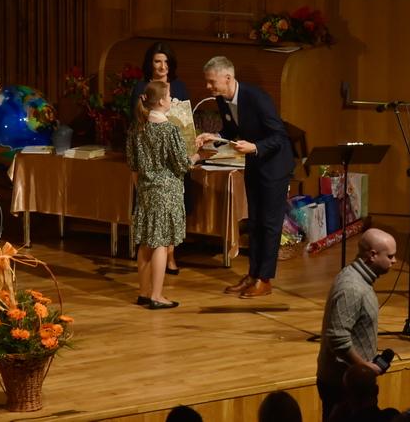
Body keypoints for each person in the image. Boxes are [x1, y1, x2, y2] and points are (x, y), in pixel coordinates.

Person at [195, 56, 294, 298]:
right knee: (255, 222)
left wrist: (255, 147)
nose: (208, 86)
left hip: (274, 166)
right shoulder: (222, 99)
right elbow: (231, 130)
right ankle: (253, 274)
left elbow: (279, 136)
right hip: (255, 165)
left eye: (212, 82)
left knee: (269, 224)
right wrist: (214, 136)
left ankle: (265, 279)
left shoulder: (257, 97)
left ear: (228, 78)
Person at [126, 81, 200, 310]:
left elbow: (133, 165)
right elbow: (181, 165)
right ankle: (157, 295)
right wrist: (197, 156)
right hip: (166, 192)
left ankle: (144, 292)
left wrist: (141, 188)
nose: (172, 100)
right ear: (160, 101)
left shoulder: (137, 128)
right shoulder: (169, 130)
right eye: (169, 96)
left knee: (146, 242)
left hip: (145, 190)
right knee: (161, 242)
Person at [316, 228, 398, 422]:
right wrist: (364, 366)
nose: (395, 261)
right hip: (342, 385)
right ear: (373, 255)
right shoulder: (352, 288)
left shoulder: (358, 278)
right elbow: (337, 338)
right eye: (390, 256)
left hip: (352, 382)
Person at [131, 42, 191, 276]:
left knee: (169, 215)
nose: (162, 66)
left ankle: (169, 256)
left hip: (173, 157)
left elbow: (187, 119)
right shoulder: (142, 91)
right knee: (155, 225)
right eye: (158, 61)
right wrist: (196, 156)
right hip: (156, 168)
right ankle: (155, 286)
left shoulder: (179, 87)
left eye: (166, 62)